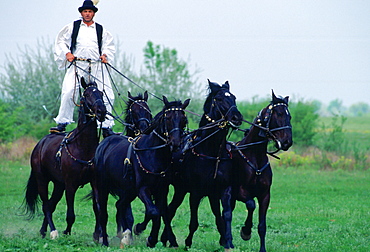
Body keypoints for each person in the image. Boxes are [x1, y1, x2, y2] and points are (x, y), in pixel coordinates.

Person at [51, 0, 116, 138]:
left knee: (108, 94)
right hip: (78, 65)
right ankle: (62, 123)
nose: (87, 14)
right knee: (69, 91)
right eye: (85, 11)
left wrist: (105, 55)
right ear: (81, 13)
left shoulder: (100, 29)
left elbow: (109, 46)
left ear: (94, 13)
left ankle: (106, 126)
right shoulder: (72, 27)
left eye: (90, 11)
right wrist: (66, 53)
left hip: (97, 65)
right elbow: (61, 41)